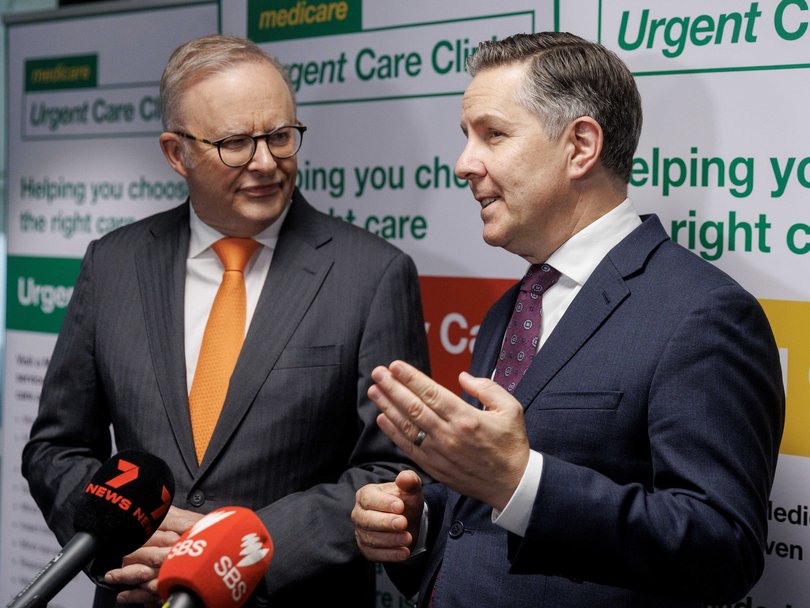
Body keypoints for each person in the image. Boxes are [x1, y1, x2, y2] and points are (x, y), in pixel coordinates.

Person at [351, 31, 784, 607]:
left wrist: (522, 483)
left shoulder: (703, 313)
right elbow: (478, 516)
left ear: (580, 146)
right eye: (466, 138)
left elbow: (723, 549)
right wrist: (418, 523)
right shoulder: (512, 308)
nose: (463, 164)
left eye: (493, 135)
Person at [22, 34, 430, 608]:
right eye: (236, 143)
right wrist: (122, 543)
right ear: (176, 152)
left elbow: (391, 469)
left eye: (281, 137)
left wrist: (232, 551)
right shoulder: (112, 264)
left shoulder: (373, 275)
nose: (265, 163)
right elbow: (56, 450)